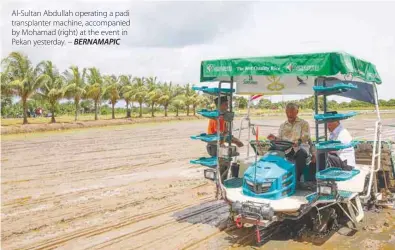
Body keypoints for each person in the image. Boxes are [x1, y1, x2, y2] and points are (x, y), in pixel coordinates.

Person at [267, 102, 312, 182]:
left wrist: (298, 142)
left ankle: (296, 180)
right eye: (287, 112)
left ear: (297, 112)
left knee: (300, 154)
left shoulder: (303, 123)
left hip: (300, 147)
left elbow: (305, 137)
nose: (289, 114)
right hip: (285, 149)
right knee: (271, 150)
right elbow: (280, 139)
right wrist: (274, 138)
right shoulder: (283, 125)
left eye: (292, 112)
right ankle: (270, 176)